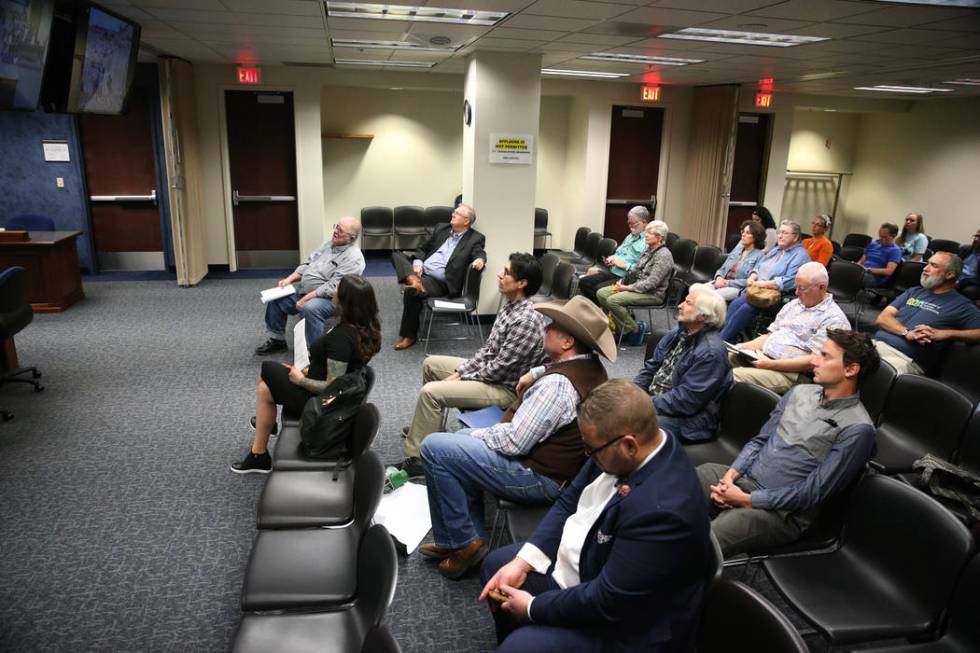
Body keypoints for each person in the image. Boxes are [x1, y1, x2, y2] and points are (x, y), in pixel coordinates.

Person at [478, 380, 710, 651]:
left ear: (629, 445)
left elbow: (608, 600)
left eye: (591, 449)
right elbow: (568, 502)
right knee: (498, 565)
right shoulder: (625, 447)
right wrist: (523, 562)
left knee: (521, 647)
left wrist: (531, 607)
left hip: (630, 627)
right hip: (594, 566)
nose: (587, 455)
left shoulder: (663, 511)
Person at [418, 296, 614, 580]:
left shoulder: (558, 386)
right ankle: (464, 538)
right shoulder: (588, 367)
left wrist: (476, 435)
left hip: (538, 477)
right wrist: (536, 372)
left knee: (436, 447)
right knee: (457, 446)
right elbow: (553, 371)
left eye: (553, 326)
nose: (545, 329)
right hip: (552, 469)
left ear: (567, 342)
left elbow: (515, 443)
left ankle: (462, 542)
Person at [696, 329, 879, 557]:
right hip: (746, 481)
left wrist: (748, 500)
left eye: (825, 356)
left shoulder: (858, 429)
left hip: (783, 513)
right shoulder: (800, 392)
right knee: (685, 481)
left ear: (851, 369)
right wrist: (730, 477)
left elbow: (812, 492)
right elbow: (760, 441)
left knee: (714, 536)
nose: (814, 360)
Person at [397, 253, 546, 478]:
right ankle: (431, 428)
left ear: (522, 283)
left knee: (431, 393)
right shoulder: (510, 306)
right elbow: (488, 351)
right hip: (492, 375)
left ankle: (418, 460)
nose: (499, 274)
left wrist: (462, 376)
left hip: (504, 389)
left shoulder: (526, 320)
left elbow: (499, 368)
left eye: (506, 272)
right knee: (431, 364)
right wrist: (461, 372)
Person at [231, 274, 381, 474]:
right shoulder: (363, 327)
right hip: (335, 392)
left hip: (322, 401)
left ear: (345, 299)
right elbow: (345, 369)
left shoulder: (341, 337)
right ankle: (259, 449)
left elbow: (332, 386)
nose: (333, 290)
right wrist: (312, 369)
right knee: (265, 390)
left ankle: (260, 446)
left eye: (338, 288)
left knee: (267, 370)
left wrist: (301, 380)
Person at [730, 262, 850, 395]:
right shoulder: (794, 304)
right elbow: (769, 336)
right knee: (721, 359)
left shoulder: (833, 320)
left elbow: (813, 361)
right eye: (796, 286)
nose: (796, 292)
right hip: (763, 357)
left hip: (792, 374)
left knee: (733, 377)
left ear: (821, 287)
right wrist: (742, 347)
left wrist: (769, 364)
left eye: (802, 288)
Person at [633, 284, 732, 442]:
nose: (680, 306)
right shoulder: (678, 332)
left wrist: (644, 404)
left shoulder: (711, 353)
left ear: (703, 316)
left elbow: (686, 401)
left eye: (688, 303)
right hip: (658, 401)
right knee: (610, 405)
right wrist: (633, 393)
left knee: (628, 427)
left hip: (687, 420)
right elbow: (651, 367)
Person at [255, 216, 365, 354]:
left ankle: (314, 351)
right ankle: (277, 341)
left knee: (310, 308)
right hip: (305, 290)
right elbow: (309, 263)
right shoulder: (328, 244)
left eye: (341, 231)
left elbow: (334, 287)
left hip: (334, 299)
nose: (335, 231)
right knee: (277, 297)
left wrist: (307, 298)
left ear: (351, 238)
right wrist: (289, 279)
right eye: (336, 226)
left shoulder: (354, 258)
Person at [391, 203, 486, 351]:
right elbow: (423, 248)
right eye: (454, 212)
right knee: (396, 254)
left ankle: (409, 335)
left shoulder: (475, 238)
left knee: (411, 292)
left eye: (457, 213)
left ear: (466, 221)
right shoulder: (442, 228)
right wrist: (418, 262)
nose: (453, 214)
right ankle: (414, 280)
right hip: (421, 272)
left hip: (438, 282)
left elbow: (479, 252)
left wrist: (480, 260)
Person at [873, 252, 980, 375]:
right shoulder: (914, 291)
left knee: (861, 371)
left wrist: (948, 334)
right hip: (876, 345)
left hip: (904, 360)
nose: (925, 268)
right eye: (927, 263)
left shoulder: (962, 305)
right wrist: (906, 333)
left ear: (949, 274)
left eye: (933, 265)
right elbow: (882, 318)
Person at [720, 220, 811, 343]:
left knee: (746, 308)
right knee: (735, 304)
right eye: (779, 232)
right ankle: (727, 339)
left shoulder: (800, 255)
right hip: (756, 291)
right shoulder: (777, 250)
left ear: (795, 237)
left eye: (784, 233)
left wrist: (762, 284)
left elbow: (789, 281)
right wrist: (753, 275)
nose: (780, 235)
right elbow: (759, 265)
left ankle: (722, 340)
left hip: (776, 297)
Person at [596, 220, 673, 346]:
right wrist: (624, 281)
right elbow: (636, 270)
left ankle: (635, 329)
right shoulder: (648, 249)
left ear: (659, 238)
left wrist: (626, 288)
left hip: (652, 294)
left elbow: (650, 284)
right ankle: (622, 328)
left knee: (613, 301)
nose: (646, 235)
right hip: (637, 287)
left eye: (649, 233)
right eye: (646, 232)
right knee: (601, 293)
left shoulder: (664, 256)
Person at [577, 206, 650, 304]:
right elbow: (618, 253)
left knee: (598, 289)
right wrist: (611, 259)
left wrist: (625, 266)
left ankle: (603, 312)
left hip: (627, 278)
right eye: (629, 223)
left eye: (634, 224)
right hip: (614, 271)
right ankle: (598, 310)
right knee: (584, 282)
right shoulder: (630, 236)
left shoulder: (648, 242)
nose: (631, 227)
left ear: (644, 222)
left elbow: (643, 270)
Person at [714, 220, 766, 301]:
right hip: (722, 282)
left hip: (737, 288)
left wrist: (728, 283)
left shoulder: (760, 256)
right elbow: (722, 269)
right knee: (696, 290)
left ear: (756, 237)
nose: (743, 234)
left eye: (748, 233)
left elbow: (750, 281)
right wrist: (718, 277)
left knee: (711, 296)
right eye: (743, 232)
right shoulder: (737, 250)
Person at [858, 222, 902, 287]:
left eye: (885, 237)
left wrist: (869, 270)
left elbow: (889, 271)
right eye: (880, 236)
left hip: (874, 278)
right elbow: (862, 261)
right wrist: (855, 266)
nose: (881, 240)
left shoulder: (895, 250)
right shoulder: (873, 244)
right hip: (862, 272)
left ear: (894, 236)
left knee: (853, 277)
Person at [958, 229, 979, 298]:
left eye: (979, 237)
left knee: (969, 291)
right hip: (956, 277)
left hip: (973, 283)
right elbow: (953, 264)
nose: (976, 239)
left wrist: (962, 282)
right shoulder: (965, 249)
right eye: (976, 236)